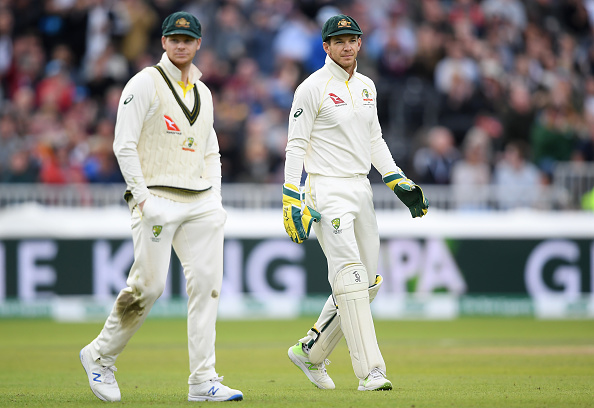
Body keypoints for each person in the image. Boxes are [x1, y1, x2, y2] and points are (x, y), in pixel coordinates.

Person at [79, 11, 243, 402]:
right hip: (156, 197)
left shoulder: (203, 92)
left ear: (198, 43)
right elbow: (123, 144)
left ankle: (203, 381)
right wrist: (141, 197)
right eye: (174, 38)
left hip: (199, 200)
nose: (181, 45)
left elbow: (210, 149)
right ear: (164, 42)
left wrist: (214, 198)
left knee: (208, 287)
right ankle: (99, 356)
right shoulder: (145, 83)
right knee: (148, 287)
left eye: (188, 39)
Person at [282, 14, 428, 392]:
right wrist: (290, 196)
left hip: (360, 188)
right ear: (326, 46)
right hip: (325, 189)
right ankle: (371, 372)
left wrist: (396, 178)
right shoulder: (311, 88)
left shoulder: (366, 86)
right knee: (349, 276)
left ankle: (310, 352)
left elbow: (374, 139)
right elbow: (296, 145)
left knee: (369, 284)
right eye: (339, 40)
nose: (347, 46)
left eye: (353, 39)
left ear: (360, 44)